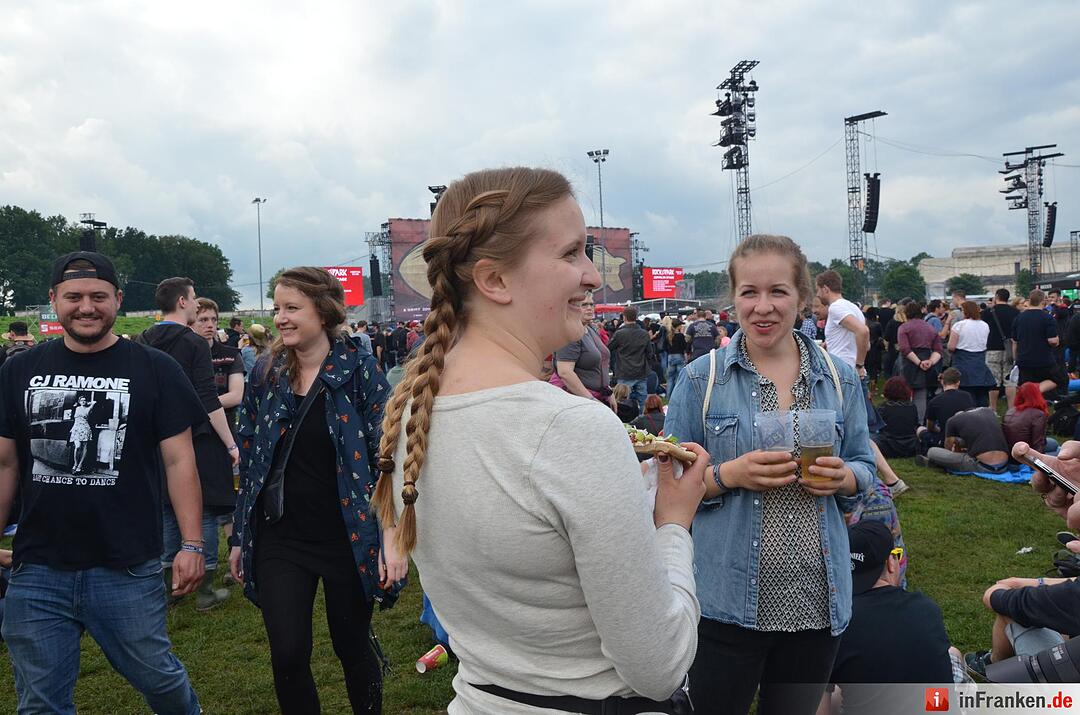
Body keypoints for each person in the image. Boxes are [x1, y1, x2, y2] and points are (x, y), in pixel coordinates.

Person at [370, 167, 708, 714]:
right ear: (494, 280)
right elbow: (658, 665)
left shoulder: (414, 408)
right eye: (571, 254)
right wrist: (672, 526)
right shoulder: (571, 429)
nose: (593, 277)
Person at [665, 234, 876, 715]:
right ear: (733, 299)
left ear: (803, 297)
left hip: (816, 602)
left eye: (778, 291)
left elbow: (865, 465)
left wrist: (842, 478)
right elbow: (668, 492)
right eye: (749, 293)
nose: (764, 307)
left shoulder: (838, 378)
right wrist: (729, 474)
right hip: (725, 601)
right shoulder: (701, 379)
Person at [0, 251, 206, 714]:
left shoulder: (155, 368)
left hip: (126, 566)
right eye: (73, 297)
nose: (86, 307)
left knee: (160, 680)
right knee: (40, 703)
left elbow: (179, 462)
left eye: (98, 296)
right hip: (37, 569)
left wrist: (192, 545)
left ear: (117, 299)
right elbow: (5, 465)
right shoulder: (18, 371)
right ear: (53, 300)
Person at [229, 267, 396, 714]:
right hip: (281, 536)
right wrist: (240, 537)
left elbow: (388, 458)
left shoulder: (359, 369)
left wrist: (392, 541)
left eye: (291, 308)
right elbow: (250, 454)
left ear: (323, 312)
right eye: (277, 308)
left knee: (352, 648)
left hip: (346, 535)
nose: (280, 318)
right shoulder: (268, 372)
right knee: (287, 653)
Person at [136, 277, 240, 610]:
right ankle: (205, 591)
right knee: (205, 511)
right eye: (194, 299)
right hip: (197, 437)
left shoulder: (143, 340)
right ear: (182, 302)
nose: (197, 305)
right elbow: (207, 400)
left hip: (156, 438)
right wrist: (230, 444)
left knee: (168, 511)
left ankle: (171, 590)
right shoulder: (193, 343)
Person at [824, 522, 956, 715]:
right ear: (891, 563)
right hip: (936, 707)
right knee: (954, 654)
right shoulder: (926, 608)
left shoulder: (836, 623)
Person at [194, 297, 246, 589]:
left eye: (214, 320)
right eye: (203, 320)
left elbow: (236, 395)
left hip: (226, 433)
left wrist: (199, 404)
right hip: (194, 436)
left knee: (231, 499)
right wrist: (210, 404)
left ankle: (235, 558)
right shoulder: (187, 354)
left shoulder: (229, 354)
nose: (210, 325)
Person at [552, 292, 612, 405]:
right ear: (572, 308)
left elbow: (600, 365)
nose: (589, 308)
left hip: (595, 397)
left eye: (591, 304)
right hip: (577, 400)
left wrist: (608, 392)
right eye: (584, 305)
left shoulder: (590, 329)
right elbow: (565, 372)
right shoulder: (570, 333)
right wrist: (591, 400)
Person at [920, 407, 1009, 474]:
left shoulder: (952, 421)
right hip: (1004, 465)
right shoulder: (988, 412)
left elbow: (948, 448)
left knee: (932, 452)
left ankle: (937, 463)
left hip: (982, 466)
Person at [1013, 289, 1067, 398]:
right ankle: (1035, 391)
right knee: (1058, 379)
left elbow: (1014, 341)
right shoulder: (1047, 318)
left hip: (1024, 359)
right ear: (1043, 301)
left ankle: (1030, 401)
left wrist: (1016, 358)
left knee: (1026, 383)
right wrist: (1056, 341)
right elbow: (1052, 341)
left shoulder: (1019, 318)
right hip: (1043, 359)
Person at [897, 301, 943, 423]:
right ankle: (920, 423)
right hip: (927, 361)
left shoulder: (904, 327)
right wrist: (930, 362)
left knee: (904, 393)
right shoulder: (930, 328)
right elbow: (939, 349)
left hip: (909, 363)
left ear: (906, 313)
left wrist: (918, 362)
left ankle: (905, 421)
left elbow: (904, 348)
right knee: (921, 394)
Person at [947, 300, 996, 407]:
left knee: (966, 393)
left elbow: (951, 346)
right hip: (980, 360)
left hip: (962, 360)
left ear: (966, 311)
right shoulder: (984, 325)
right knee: (981, 393)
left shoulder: (959, 325)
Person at [607, 305, 652, 415]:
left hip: (624, 371)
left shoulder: (620, 333)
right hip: (641, 371)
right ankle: (640, 421)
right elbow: (650, 353)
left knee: (621, 401)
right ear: (636, 317)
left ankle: (624, 421)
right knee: (642, 401)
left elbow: (609, 348)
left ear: (624, 317)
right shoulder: (644, 334)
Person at [917, 368, 975, 453]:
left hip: (945, 440)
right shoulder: (967, 396)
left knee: (920, 430)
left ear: (942, 382)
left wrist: (940, 429)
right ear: (958, 382)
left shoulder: (934, 401)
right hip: (965, 439)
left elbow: (930, 427)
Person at [983, 288, 1020, 410]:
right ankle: (1011, 410)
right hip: (1010, 349)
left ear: (996, 297)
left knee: (993, 381)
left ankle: (992, 408)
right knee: (1010, 381)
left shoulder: (988, 312)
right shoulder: (1015, 312)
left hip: (992, 348)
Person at [1003, 382, 1058, 456]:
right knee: (1059, 449)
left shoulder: (1011, 411)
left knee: (1053, 443)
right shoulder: (1038, 414)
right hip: (1025, 453)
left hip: (1010, 452)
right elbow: (1038, 443)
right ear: (1037, 394)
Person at [872, 377, 919, 458]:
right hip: (910, 445)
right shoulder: (912, 406)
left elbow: (873, 425)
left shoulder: (883, 407)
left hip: (888, 445)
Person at [68, 394, 98, 474]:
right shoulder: (77, 408)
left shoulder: (88, 408)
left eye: (84, 400)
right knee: (77, 446)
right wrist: (72, 429)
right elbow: (75, 420)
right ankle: (75, 464)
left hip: (85, 428)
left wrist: (89, 403)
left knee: (84, 447)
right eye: (82, 400)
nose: (83, 401)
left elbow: (94, 402)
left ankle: (80, 465)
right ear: (79, 401)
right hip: (77, 428)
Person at [666, 318, 688, 389]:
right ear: (678, 326)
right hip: (679, 356)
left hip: (670, 356)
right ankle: (677, 393)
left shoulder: (668, 336)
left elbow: (665, 347)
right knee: (679, 377)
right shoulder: (680, 336)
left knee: (670, 378)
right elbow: (684, 346)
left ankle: (668, 395)